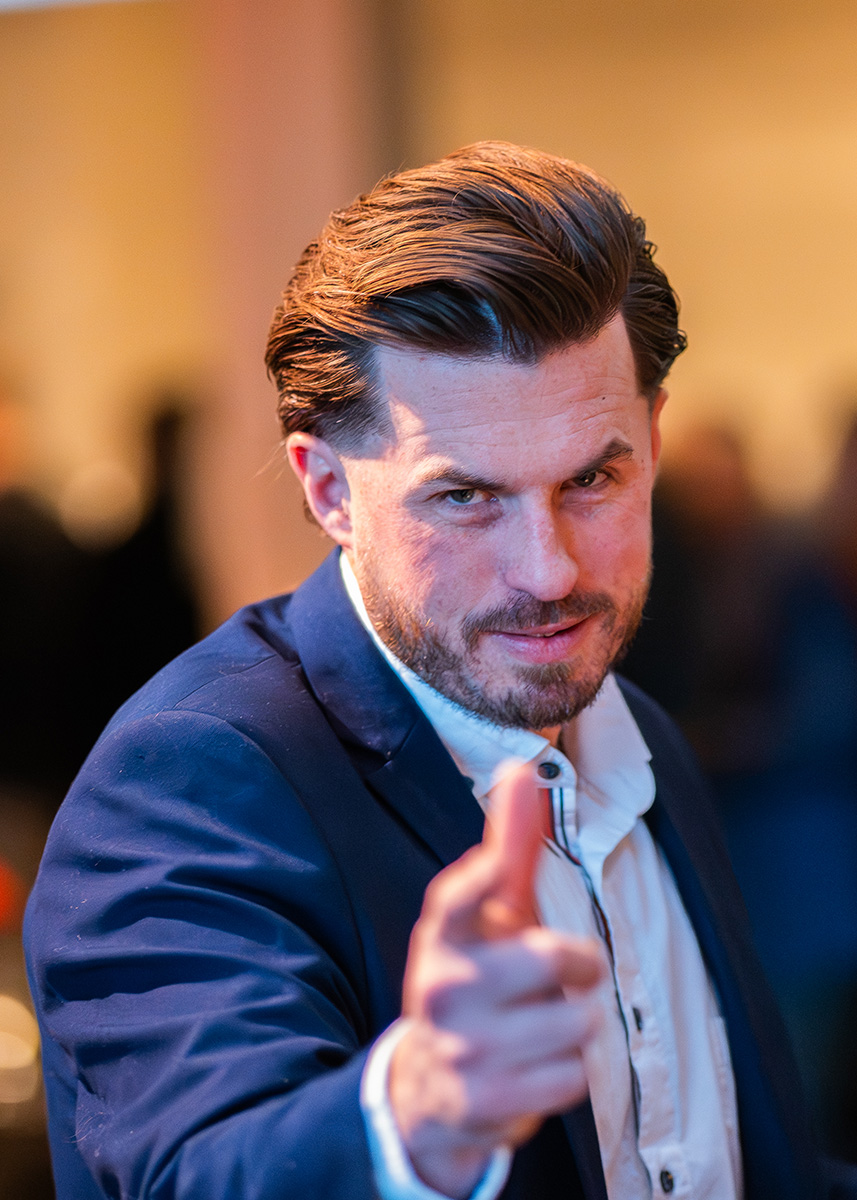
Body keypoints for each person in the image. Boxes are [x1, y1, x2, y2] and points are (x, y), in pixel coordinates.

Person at [25, 142, 827, 1200]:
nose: (549, 572)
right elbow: (198, 1165)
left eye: (591, 479)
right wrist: (418, 1117)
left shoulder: (631, 730)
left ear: (654, 438)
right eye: (464, 498)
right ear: (327, 490)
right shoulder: (189, 775)